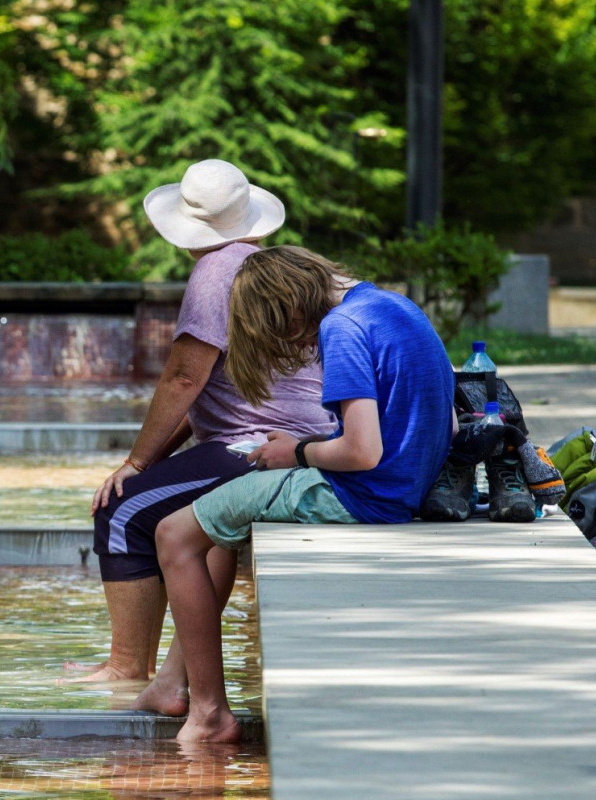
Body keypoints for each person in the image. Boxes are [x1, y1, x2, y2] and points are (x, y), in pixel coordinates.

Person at [144, 245, 453, 742]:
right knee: (220, 521)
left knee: (174, 534)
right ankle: (172, 680)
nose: (298, 345)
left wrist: (297, 451)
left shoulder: (341, 329)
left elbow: (363, 451)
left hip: (360, 496)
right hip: (404, 488)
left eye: (282, 331)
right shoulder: (393, 305)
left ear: (289, 302)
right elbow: (442, 420)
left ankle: (208, 712)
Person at [72, 160, 334, 684]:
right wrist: (154, 459)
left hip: (257, 446)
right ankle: (160, 673)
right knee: (172, 510)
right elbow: (209, 395)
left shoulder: (216, 271)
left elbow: (184, 380)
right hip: (303, 438)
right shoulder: (262, 266)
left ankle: (127, 667)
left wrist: (136, 464)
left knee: (121, 509)